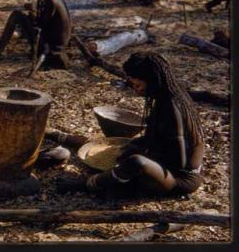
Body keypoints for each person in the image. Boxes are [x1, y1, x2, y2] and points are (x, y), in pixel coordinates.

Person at [57, 52, 204, 196]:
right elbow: (161, 139)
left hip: (179, 179)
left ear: (152, 80)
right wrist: (136, 145)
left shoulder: (172, 107)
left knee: (136, 162)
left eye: (138, 85)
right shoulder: (168, 94)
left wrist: (144, 154)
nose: (136, 89)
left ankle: (88, 184)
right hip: (168, 166)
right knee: (129, 147)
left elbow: (179, 162)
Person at [0, 0, 73, 69]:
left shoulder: (51, 1)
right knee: (20, 16)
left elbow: (41, 25)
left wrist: (32, 12)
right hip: (55, 44)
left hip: (51, 48)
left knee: (16, 15)